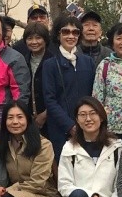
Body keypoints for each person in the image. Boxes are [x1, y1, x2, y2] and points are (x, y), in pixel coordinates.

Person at [42, 15, 97, 156]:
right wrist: (69, 125)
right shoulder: (50, 65)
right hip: (60, 130)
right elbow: (50, 100)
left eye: (75, 32)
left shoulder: (88, 62)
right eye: (66, 32)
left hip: (86, 126)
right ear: (58, 35)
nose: (71, 36)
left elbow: (93, 95)